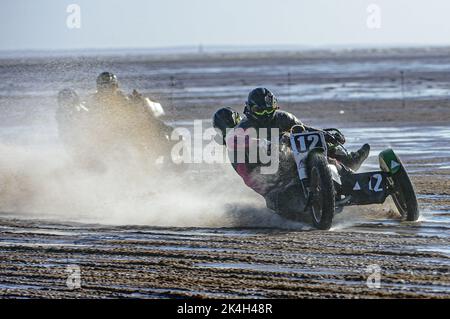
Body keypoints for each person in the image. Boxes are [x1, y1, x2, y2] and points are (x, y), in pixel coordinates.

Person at [223, 87, 370, 218]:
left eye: (269, 109)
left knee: (313, 143)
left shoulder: (283, 117)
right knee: (280, 202)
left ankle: (348, 163)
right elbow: (238, 146)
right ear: (250, 109)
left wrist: (328, 135)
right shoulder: (243, 128)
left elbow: (305, 130)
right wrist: (264, 144)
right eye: (260, 110)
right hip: (272, 176)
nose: (265, 114)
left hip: (293, 158)